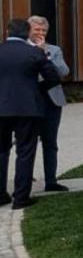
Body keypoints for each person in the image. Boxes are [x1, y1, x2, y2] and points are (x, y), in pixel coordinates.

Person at [0, 19, 60, 209]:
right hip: (28, 108)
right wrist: (36, 89)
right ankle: (21, 197)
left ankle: (0, 194)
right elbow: (53, 78)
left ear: (7, 32)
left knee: (1, 151)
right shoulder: (35, 52)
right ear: (27, 33)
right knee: (25, 152)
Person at [27, 16, 70, 192]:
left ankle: (51, 181)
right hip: (29, 100)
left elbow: (64, 71)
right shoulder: (22, 49)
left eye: (44, 30)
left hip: (52, 100)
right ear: (28, 30)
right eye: (37, 29)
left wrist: (45, 53)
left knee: (50, 142)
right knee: (28, 143)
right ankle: (24, 181)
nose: (41, 33)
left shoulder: (54, 50)